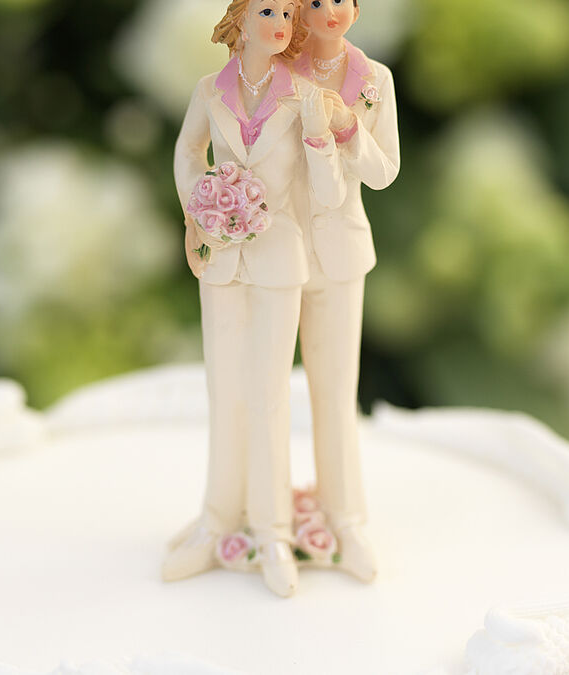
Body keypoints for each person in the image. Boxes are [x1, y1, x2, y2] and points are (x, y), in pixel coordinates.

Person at [165, 0, 347, 598]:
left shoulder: (303, 97)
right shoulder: (208, 89)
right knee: (224, 391)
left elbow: (324, 192)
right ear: (239, 18)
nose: (281, 23)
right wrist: (206, 197)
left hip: (277, 256)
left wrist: (321, 139)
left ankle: (270, 530)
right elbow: (189, 154)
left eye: (291, 15)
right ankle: (217, 519)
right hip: (219, 255)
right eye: (267, 9)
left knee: (270, 396)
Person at [292, 0, 401, 583]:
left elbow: (384, 171)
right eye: (312, 1)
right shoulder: (275, 68)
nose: (329, 10)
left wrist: (347, 129)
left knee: (335, 392)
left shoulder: (374, 79)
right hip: (274, 250)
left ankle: (346, 518)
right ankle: (260, 515)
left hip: (340, 252)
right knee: (260, 391)